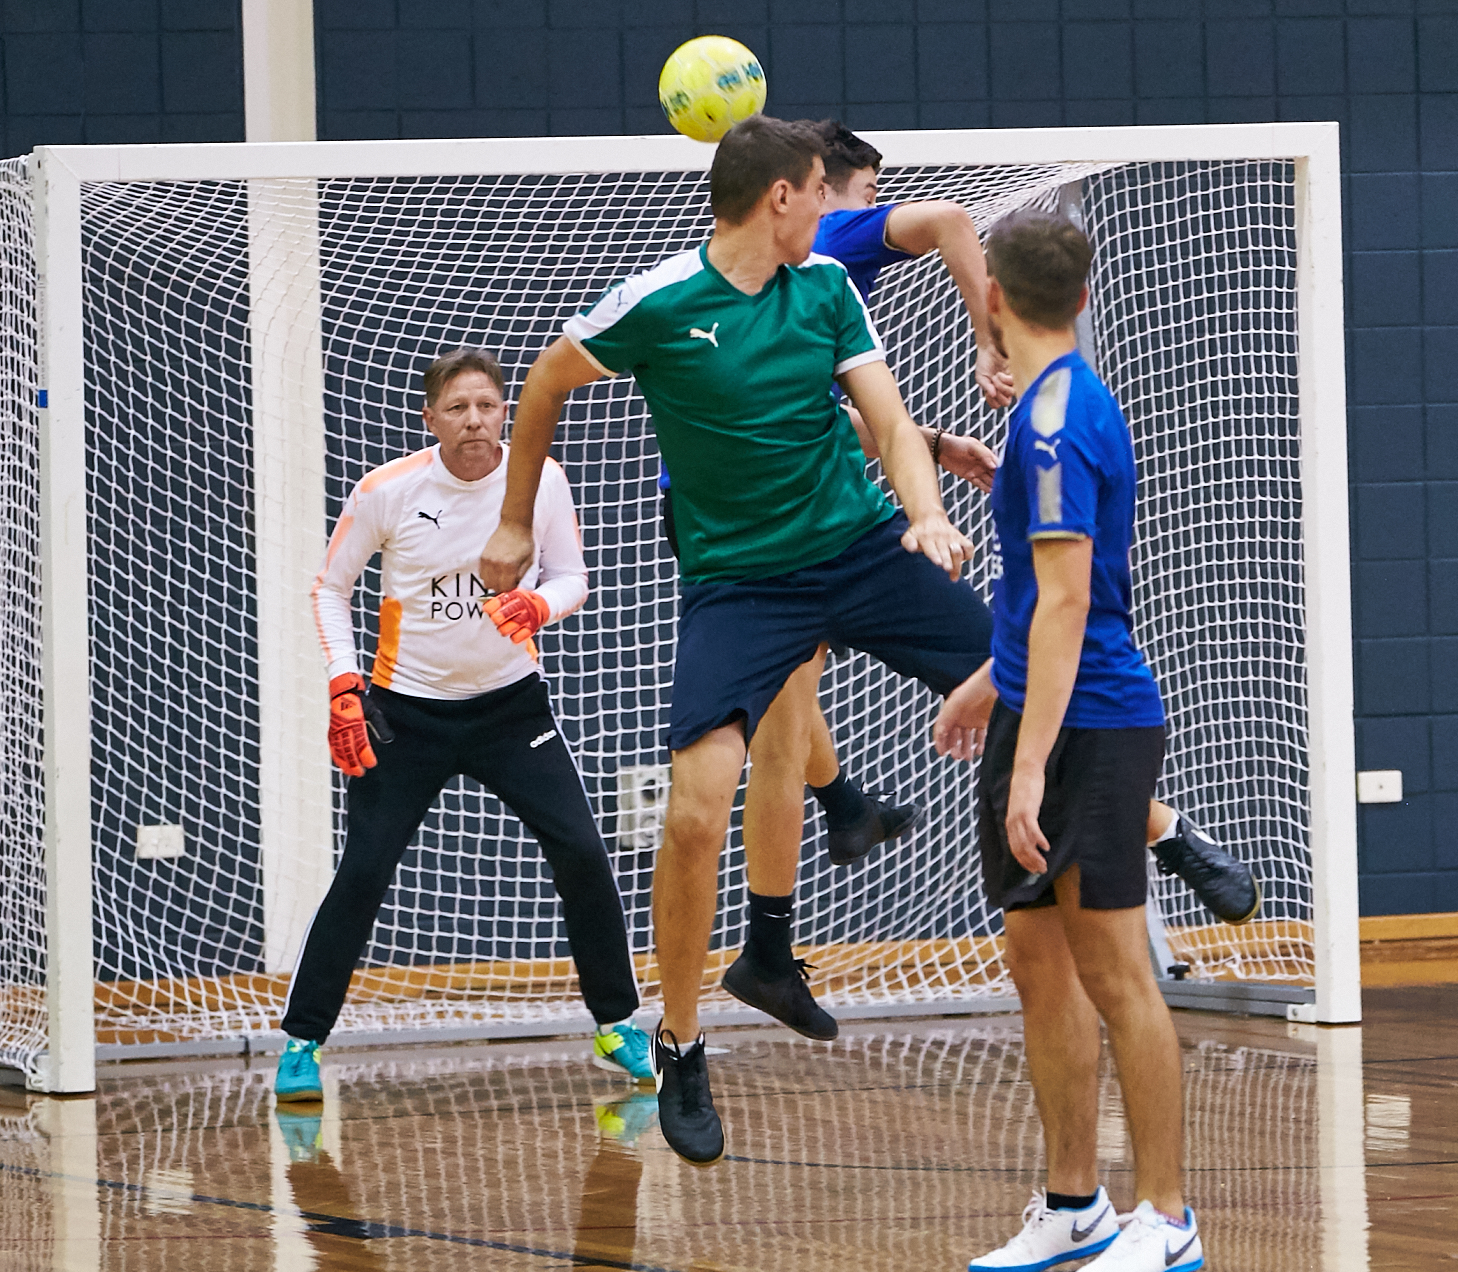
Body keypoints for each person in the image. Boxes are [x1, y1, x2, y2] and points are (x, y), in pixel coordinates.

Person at [475, 116, 992, 1166]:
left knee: (1026, 676)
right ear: (783, 198)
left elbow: (887, 422)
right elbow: (541, 382)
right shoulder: (663, 302)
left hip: (861, 549)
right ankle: (682, 1038)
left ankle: (1155, 842)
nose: (836, 214)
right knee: (695, 811)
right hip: (740, 587)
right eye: (822, 195)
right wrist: (516, 521)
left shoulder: (829, 292)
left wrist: (926, 511)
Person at [735, 121, 1262, 996]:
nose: (876, 212)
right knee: (782, 719)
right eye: (869, 193)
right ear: (815, 190)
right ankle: (815, 866)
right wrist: (991, 338)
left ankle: (790, 905)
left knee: (815, 711)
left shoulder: (798, 277)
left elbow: (813, 419)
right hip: (768, 526)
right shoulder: (828, 235)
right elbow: (945, 220)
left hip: (810, 516)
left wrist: (932, 445)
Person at [934, 213, 1202, 1272]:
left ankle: (1169, 1213)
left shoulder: (1053, 428)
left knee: (1115, 971)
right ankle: (1071, 1200)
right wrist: (984, 684)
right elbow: (1035, 606)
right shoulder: (1055, 407)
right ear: (1082, 301)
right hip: (1040, 709)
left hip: (1091, 724)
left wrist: (1032, 757)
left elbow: (1069, 600)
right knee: (1038, 965)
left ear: (990, 295)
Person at [275, 349, 650, 1103]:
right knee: (365, 870)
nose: (475, 419)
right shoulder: (388, 490)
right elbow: (330, 588)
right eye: (458, 408)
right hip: (404, 713)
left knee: (581, 848)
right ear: (431, 419)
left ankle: (616, 1025)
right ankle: (303, 1043)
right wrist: (344, 684)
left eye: (487, 404)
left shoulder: (538, 477)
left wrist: (540, 606)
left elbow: (572, 576)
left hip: (511, 709)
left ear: (505, 410)